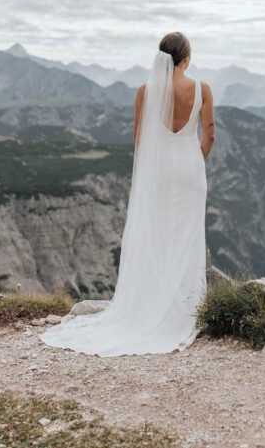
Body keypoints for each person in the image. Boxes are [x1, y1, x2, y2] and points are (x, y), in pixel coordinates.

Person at [40, 32, 215, 356]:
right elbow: (210, 134)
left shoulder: (144, 93)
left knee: (159, 235)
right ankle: (186, 308)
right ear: (187, 59)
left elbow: (140, 140)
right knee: (187, 236)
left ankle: (152, 305)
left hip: (160, 171)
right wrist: (193, 160)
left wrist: (161, 163)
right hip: (191, 172)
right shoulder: (202, 89)